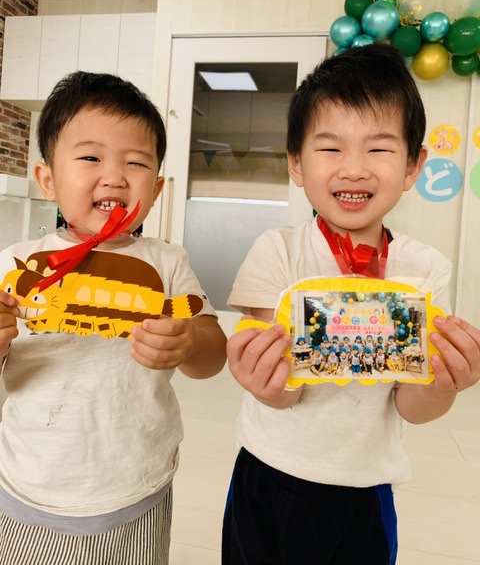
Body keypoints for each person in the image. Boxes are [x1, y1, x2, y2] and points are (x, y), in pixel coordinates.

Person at [221, 44, 480, 565]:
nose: (354, 169)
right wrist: (263, 380)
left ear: (413, 166)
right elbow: (283, 393)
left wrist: (443, 384)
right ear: (296, 163)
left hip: (364, 489)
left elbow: (411, 405)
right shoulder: (278, 252)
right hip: (267, 473)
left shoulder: (424, 269)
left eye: (379, 148)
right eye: (330, 148)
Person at [0, 71, 227, 564]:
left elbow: (212, 354)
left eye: (136, 162)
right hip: (31, 486)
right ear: (47, 180)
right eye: (90, 158)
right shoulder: (16, 262)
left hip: (137, 485)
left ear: (157, 188)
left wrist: (190, 341)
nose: (115, 176)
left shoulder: (167, 262)